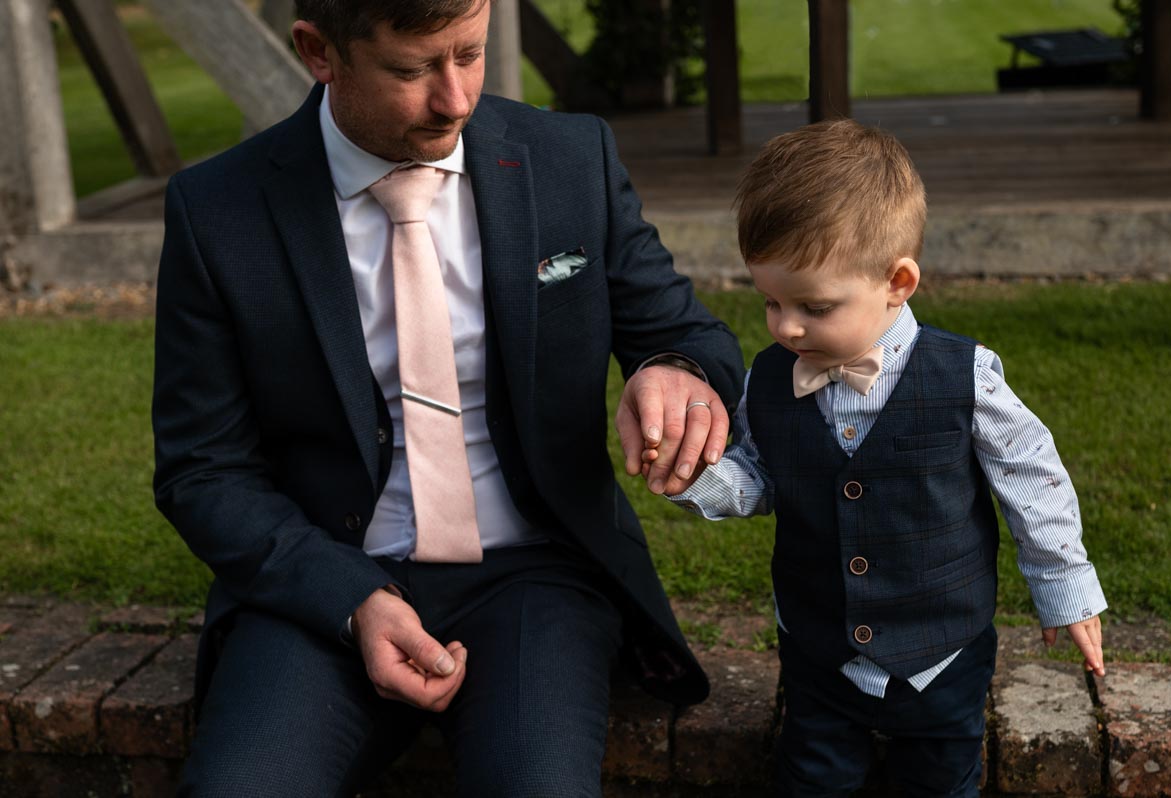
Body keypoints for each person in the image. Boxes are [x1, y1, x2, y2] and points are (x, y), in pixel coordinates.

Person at [150, 0, 743, 794]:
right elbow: (202, 469)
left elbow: (688, 336)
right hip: (327, 580)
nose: (456, 98)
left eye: (471, 54)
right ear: (319, 52)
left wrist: (675, 372)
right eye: (411, 69)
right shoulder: (218, 211)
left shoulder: (569, 157)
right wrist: (351, 600)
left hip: (539, 576)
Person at [657, 119, 1107, 797]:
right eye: (770, 301)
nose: (786, 327)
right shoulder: (771, 379)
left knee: (941, 780)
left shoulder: (964, 376)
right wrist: (700, 474)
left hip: (941, 653)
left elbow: (1030, 476)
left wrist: (1063, 589)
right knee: (811, 776)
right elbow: (760, 478)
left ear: (897, 282)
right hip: (819, 650)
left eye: (813, 305)